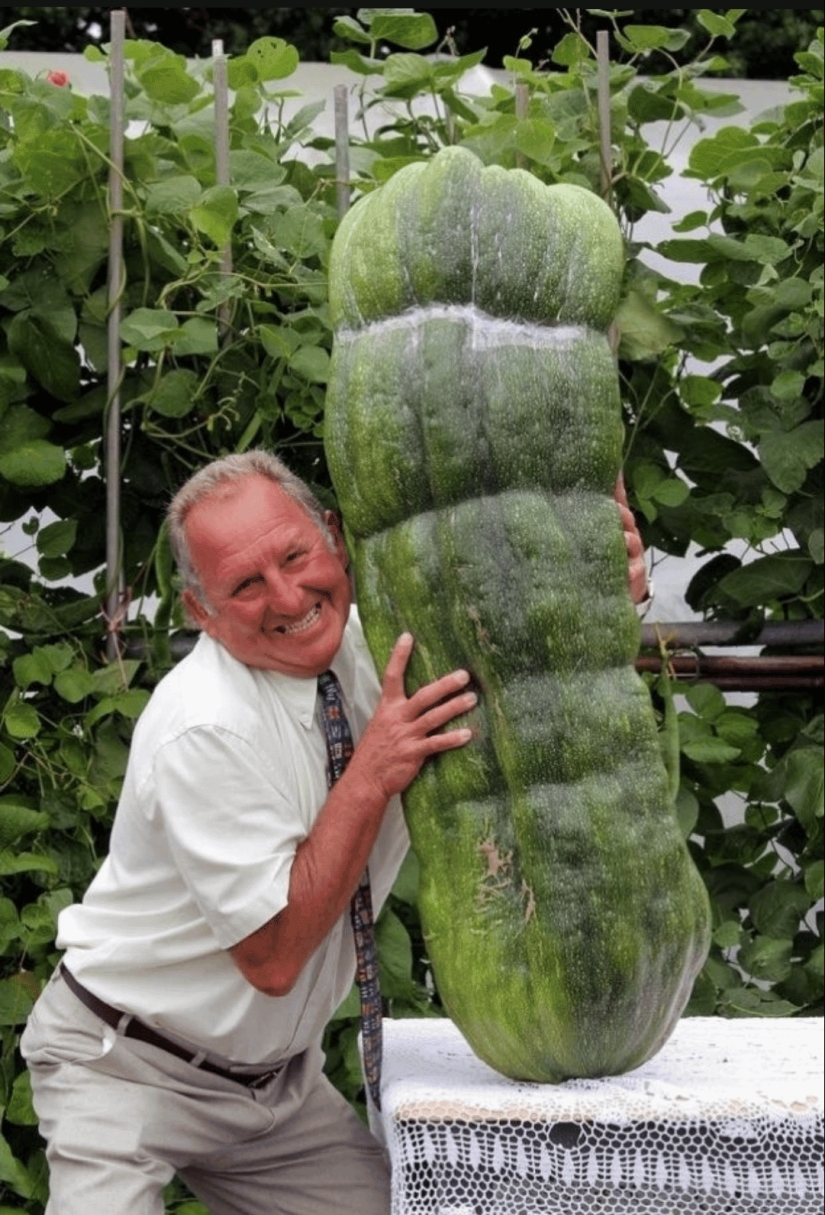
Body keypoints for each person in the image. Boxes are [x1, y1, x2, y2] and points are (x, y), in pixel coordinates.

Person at [21, 451, 649, 1215]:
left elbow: (525, 656)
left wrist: (601, 590)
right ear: (200, 612)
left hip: (273, 1087)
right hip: (124, 1065)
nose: (287, 596)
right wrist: (373, 771)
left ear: (332, 534)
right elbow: (274, 954)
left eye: (295, 555)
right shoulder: (202, 727)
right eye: (245, 585)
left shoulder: (382, 645)